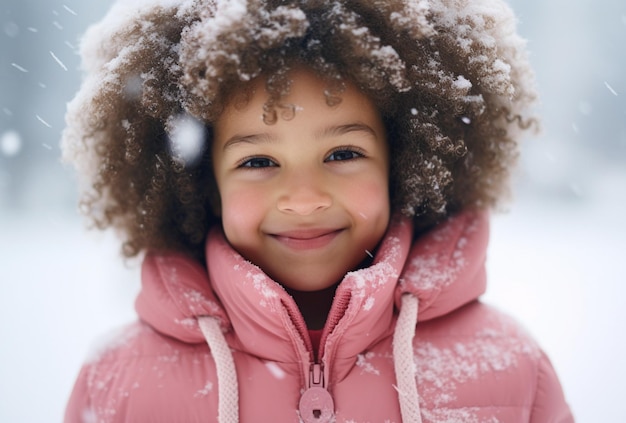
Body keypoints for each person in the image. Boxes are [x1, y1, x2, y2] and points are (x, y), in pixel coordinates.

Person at [62, 0, 574, 422]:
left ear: (403, 163)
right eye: (259, 160)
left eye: (343, 154)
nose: (304, 197)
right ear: (203, 185)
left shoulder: (510, 365)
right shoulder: (119, 380)